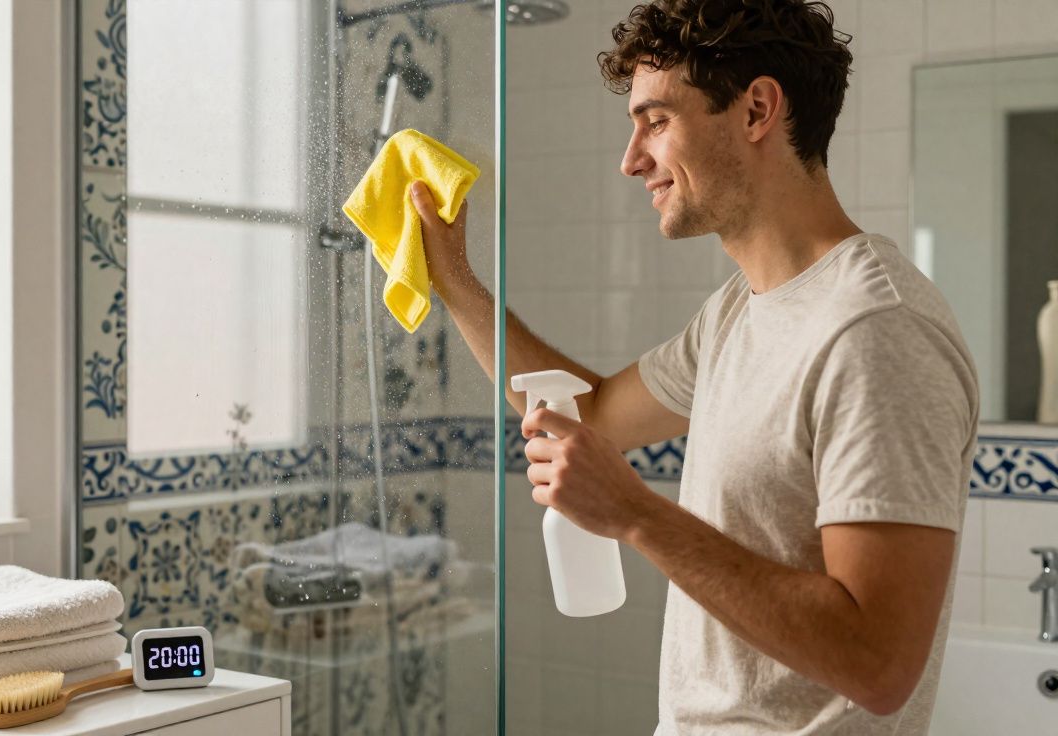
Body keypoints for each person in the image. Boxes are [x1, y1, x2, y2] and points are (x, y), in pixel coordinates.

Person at [408, 0, 979, 733]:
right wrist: (457, 284)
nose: (631, 158)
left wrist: (638, 515)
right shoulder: (740, 311)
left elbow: (878, 664)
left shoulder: (875, 331)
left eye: (656, 121)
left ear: (757, 110)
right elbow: (593, 415)